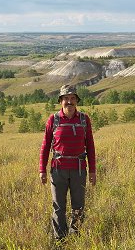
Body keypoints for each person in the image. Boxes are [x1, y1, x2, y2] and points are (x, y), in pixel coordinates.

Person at [39, 84, 96, 240]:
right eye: (66, 99)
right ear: (60, 101)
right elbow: (45, 145)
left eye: (72, 98)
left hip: (79, 170)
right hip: (58, 170)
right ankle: (60, 239)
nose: (69, 102)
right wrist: (42, 170)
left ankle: (75, 235)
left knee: (78, 206)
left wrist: (92, 171)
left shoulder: (84, 119)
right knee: (58, 207)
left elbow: (90, 145)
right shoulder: (53, 119)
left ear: (76, 101)